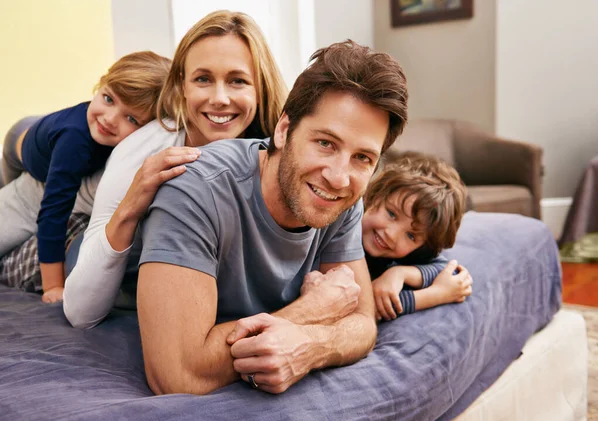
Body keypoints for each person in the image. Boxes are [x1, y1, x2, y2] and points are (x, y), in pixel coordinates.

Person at [136, 39, 409, 397]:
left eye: (363, 158)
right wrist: (312, 311)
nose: (339, 176)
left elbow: (362, 324)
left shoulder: (343, 196)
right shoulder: (194, 189)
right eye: (325, 143)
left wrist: (312, 346)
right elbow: (177, 376)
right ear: (283, 131)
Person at [58, 10, 288, 328]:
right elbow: (80, 311)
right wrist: (131, 205)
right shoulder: (141, 150)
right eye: (203, 79)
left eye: (237, 81)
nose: (220, 98)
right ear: (182, 86)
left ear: (259, 87)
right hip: (102, 245)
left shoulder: (279, 145)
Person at [0, 51, 171, 303]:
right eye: (108, 99)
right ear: (100, 85)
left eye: (131, 118)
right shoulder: (76, 142)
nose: (109, 119)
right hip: (24, 157)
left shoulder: (114, 136)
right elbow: (53, 213)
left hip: (46, 147)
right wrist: (53, 287)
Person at [362, 151, 473, 321]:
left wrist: (399, 273)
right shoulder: (342, 233)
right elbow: (368, 308)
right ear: (374, 195)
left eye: (411, 236)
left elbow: (447, 271)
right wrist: (437, 294)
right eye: (391, 214)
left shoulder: (408, 257)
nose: (391, 235)